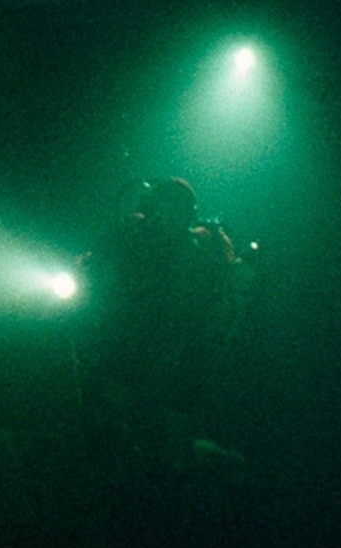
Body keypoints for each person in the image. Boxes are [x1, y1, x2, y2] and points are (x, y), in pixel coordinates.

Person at [76, 177, 239, 447]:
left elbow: (207, 310)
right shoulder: (130, 235)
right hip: (125, 346)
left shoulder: (198, 254)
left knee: (151, 433)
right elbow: (96, 270)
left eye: (176, 209)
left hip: (167, 359)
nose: (166, 215)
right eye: (162, 206)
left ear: (188, 214)